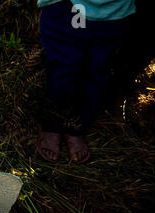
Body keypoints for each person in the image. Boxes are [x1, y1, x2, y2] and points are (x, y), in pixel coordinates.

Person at [36, 0, 135, 163]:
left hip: (114, 11)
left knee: (97, 69)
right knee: (64, 66)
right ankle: (52, 124)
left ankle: (76, 126)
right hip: (68, 6)